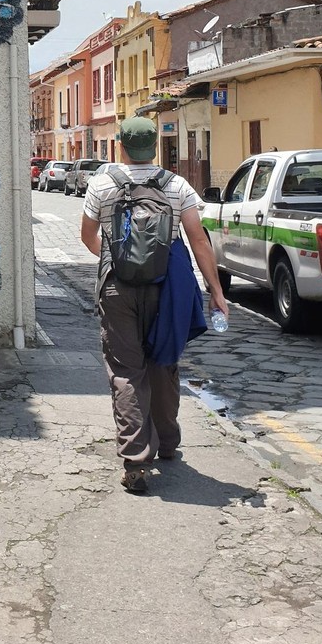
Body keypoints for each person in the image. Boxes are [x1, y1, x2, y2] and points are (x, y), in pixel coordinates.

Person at [80, 116, 228, 494]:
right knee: (163, 363)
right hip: (167, 289)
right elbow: (199, 241)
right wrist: (216, 291)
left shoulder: (102, 184)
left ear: (123, 148)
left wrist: (117, 262)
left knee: (126, 371)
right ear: (155, 148)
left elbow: (88, 236)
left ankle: (135, 461)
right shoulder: (176, 185)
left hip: (118, 291)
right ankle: (167, 442)